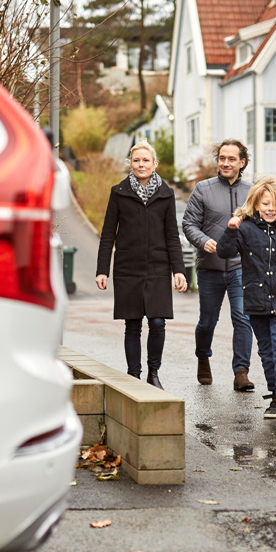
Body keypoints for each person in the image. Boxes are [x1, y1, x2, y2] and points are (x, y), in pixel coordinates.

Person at [96, 140, 188, 390]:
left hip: (158, 267)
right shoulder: (119, 192)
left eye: (146, 160)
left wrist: (178, 270)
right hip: (128, 268)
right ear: (130, 164)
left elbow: (172, 235)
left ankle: (153, 373)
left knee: (158, 322)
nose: (141, 164)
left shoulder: (166, 194)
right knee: (133, 324)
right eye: (136, 160)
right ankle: (133, 375)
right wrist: (102, 269)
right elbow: (107, 233)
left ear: (154, 164)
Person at [216, 177, 276, 418]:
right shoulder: (244, 228)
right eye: (266, 204)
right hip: (255, 297)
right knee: (265, 349)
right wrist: (230, 230)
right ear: (256, 205)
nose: (271, 209)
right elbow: (224, 252)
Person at [182, 139, 254, 391]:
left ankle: (241, 372)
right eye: (222, 158)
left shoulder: (252, 192)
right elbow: (189, 224)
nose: (225, 163)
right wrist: (203, 241)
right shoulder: (203, 189)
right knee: (207, 321)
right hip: (210, 267)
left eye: (231, 159)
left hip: (241, 268)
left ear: (242, 162)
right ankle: (203, 356)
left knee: (242, 318)